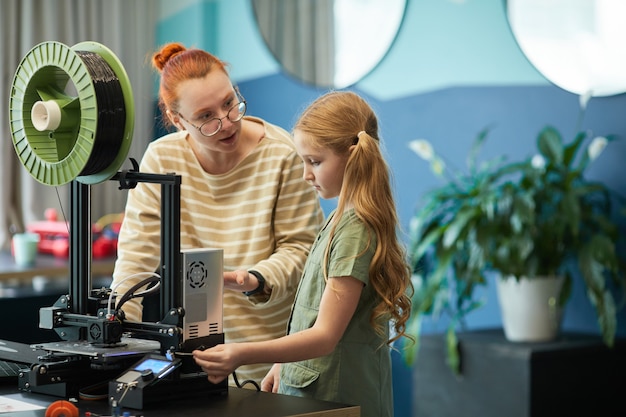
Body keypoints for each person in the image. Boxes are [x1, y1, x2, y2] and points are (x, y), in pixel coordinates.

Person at [110, 42, 324, 385]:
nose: (226, 123)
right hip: (194, 361)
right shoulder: (162, 160)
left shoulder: (281, 155)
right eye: (205, 117)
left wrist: (253, 279)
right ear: (178, 121)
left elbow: (302, 251)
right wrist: (116, 334)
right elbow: (137, 256)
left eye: (229, 103)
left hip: (270, 361)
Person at [192, 91, 413, 417]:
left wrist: (241, 354)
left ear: (352, 156)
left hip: (338, 397)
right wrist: (283, 362)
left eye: (316, 162)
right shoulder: (338, 218)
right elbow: (310, 314)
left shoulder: (356, 231)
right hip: (313, 392)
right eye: (304, 162)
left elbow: (325, 336)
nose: (306, 174)